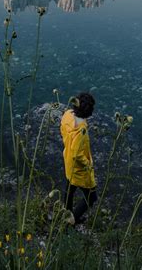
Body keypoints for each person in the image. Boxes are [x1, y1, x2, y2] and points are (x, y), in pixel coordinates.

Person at [60, 91, 97, 225]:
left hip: (68, 159)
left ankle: (66, 215)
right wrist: (88, 164)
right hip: (79, 168)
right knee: (91, 196)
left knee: (70, 189)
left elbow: (63, 131)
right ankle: (71, 220)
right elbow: (77, 154)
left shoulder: (68, 115)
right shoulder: (82, 131)